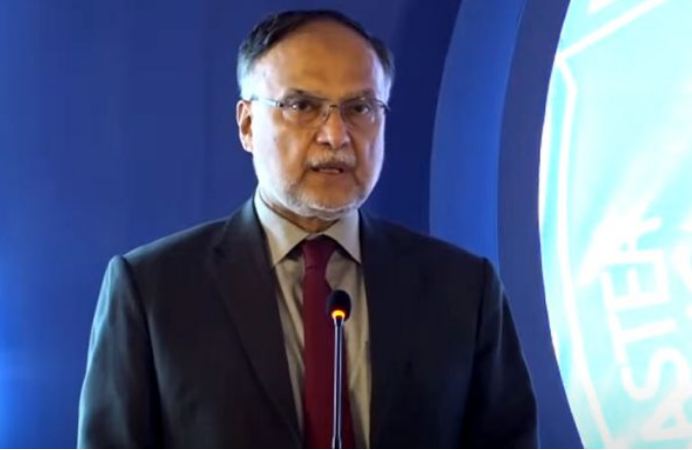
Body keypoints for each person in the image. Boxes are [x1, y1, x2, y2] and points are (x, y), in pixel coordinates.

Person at [77, 9, 537, 448]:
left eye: (360, 108)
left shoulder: (463, 290)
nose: (335, 135)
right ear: (247, 125)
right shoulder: (153, 291)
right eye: (301, 105)